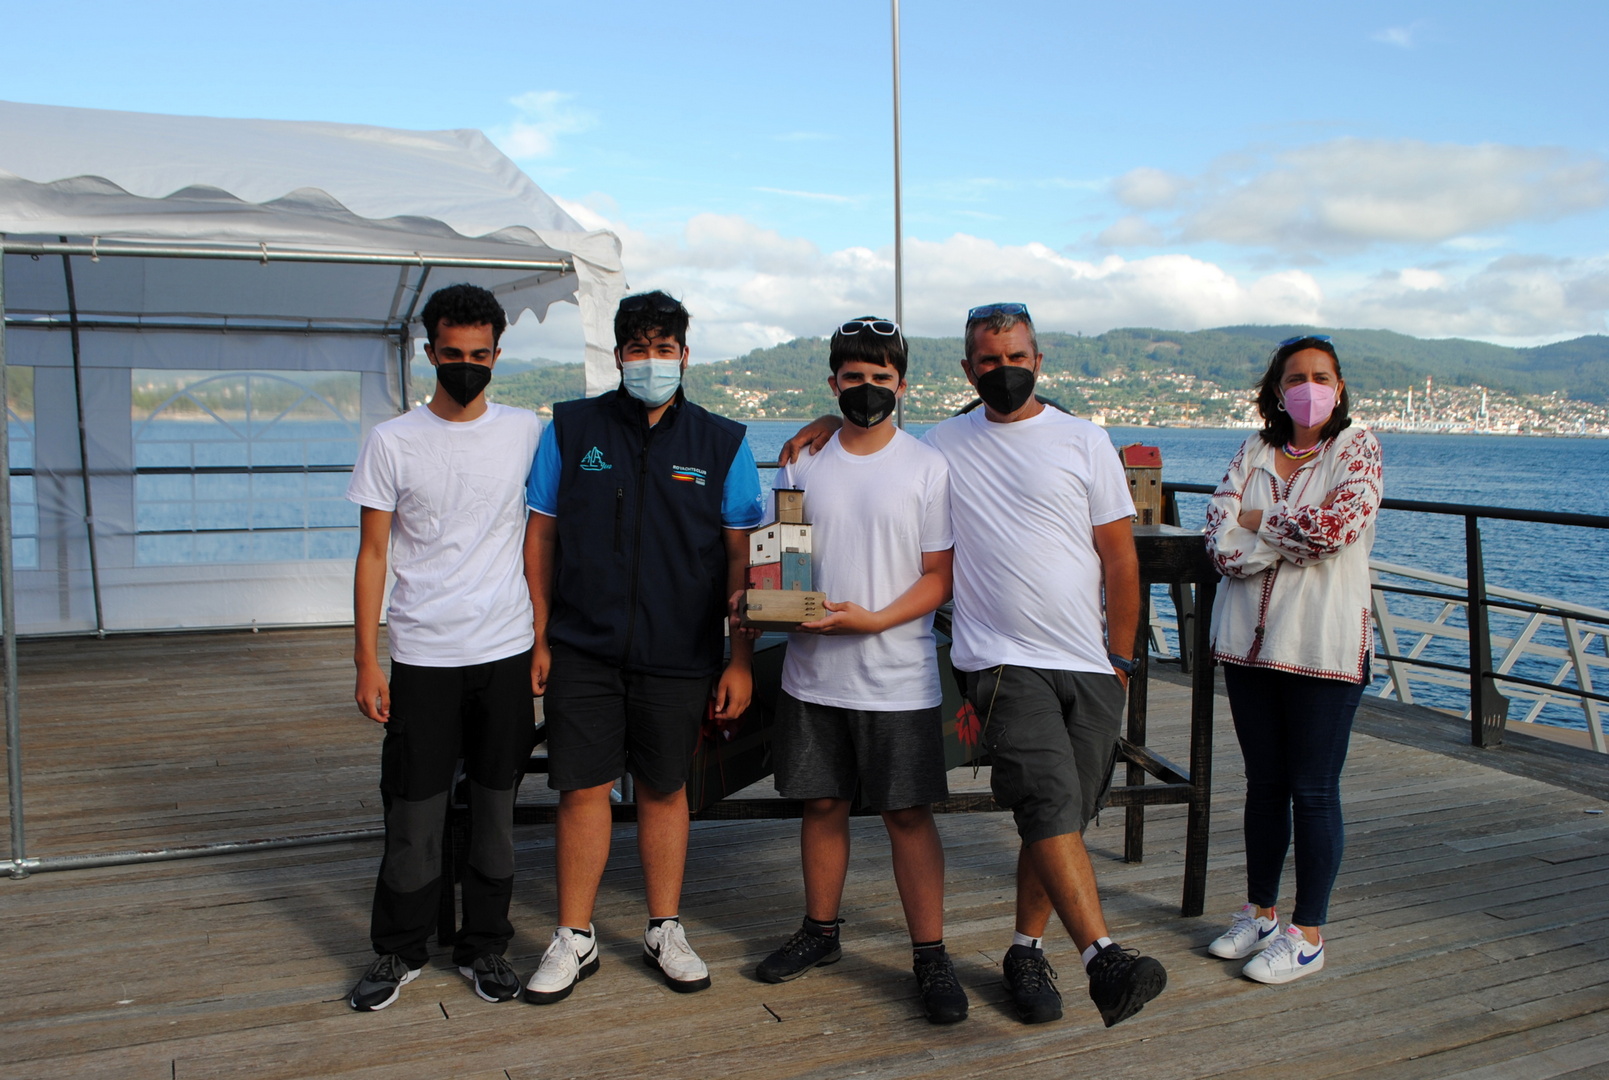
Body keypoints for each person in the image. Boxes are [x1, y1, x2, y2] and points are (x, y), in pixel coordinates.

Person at [780, 302, 1167, 1029]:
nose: (1004, 371)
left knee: (1064, 815)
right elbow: (872, 441)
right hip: (999, 659)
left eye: (1016, 358)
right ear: (967, 369)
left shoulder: (1085, 440)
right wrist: (830, 422)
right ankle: (1104, 958)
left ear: (1037, 361)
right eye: (989, 361)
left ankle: (1026, 949)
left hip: (1088, 660)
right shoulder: (945, 445)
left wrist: (1120, 659)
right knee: (1046, 799)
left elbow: (1120, 558)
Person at [521, 290, 766, 1004]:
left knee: (665, 788)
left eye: (663, 349)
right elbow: (540, 535)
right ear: (618, 355)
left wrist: (739, 658)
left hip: (680, 651)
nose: (650, 361)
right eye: (638, 349)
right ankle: (574, 935)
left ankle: (665, 928)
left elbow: (742, 560)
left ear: (684, 356)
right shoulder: (571, 429)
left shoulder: (723, 442)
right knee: (582, 789)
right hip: (582, 647)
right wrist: (539, 636)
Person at [756, 316, 966, 1024]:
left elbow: (938, 576)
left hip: (897, 675)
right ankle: (820, 931)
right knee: (821, 804)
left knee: (907, 814)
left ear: (902, 386)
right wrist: (765, 602)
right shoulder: (801, 463)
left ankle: (930, 953)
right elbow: (779, 560)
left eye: (881, 377)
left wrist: (875, 620)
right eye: (854, 377)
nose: (867, 388)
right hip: (811, 674)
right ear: (832, 383)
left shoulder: (927, 466)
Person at [345, 283, 542, 1011]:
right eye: (453, 354)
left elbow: (548, 535)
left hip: (504, 650)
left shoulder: (527, 432)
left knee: (495, 813)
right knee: (413, 814)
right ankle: (399, 950)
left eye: (480, 355)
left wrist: (543, 640)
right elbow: (372, 554)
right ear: (429, 352)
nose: (467, 366)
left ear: (497, 354)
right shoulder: (391, 440)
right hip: (422, 655)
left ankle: (484, 945)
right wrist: (366, 658)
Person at [1202, 334, 1383, 984]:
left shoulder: (1356, 447)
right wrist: (1281, 528)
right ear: (1277, 391)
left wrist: (1258, 520)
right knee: (1263, 786)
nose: (1310, 387)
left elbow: (1334, 530)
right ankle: (1260, 912)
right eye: (1296, 377)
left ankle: (1307, 934)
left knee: (1312, 789)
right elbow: (1218, 543)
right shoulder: (1254, 449)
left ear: (1339, 387)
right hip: (1247, 647)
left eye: (1321, 376)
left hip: (1319, 647)